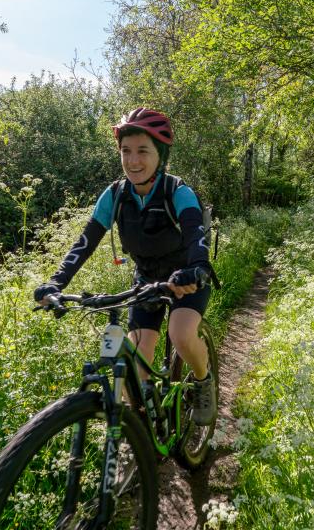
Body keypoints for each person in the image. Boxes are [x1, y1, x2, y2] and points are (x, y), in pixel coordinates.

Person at [34, 107, 217, 425]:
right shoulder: (115, 195)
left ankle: (203, 381)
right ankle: (141, 437)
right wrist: (56, 282)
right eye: (126, 151)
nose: (133, 161)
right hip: (146, 281)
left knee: (181, 334)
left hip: (185, 278)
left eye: (142, 151)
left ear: (160, 154)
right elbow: (84, 242)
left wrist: (197, 267)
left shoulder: (178, 192)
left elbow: (195, 234)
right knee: (137, 367)